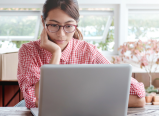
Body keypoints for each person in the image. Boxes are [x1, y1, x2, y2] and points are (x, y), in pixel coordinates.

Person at [17, 0, 146, 109]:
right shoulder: (28, 51)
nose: (61, 34)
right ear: (43, 21)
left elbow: (139, 97)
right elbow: (34, 100)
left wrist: (80, 102)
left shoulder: (88, 51)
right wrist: (55, 53)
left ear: (76, 24)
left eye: (68, 26)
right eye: (54, 25)